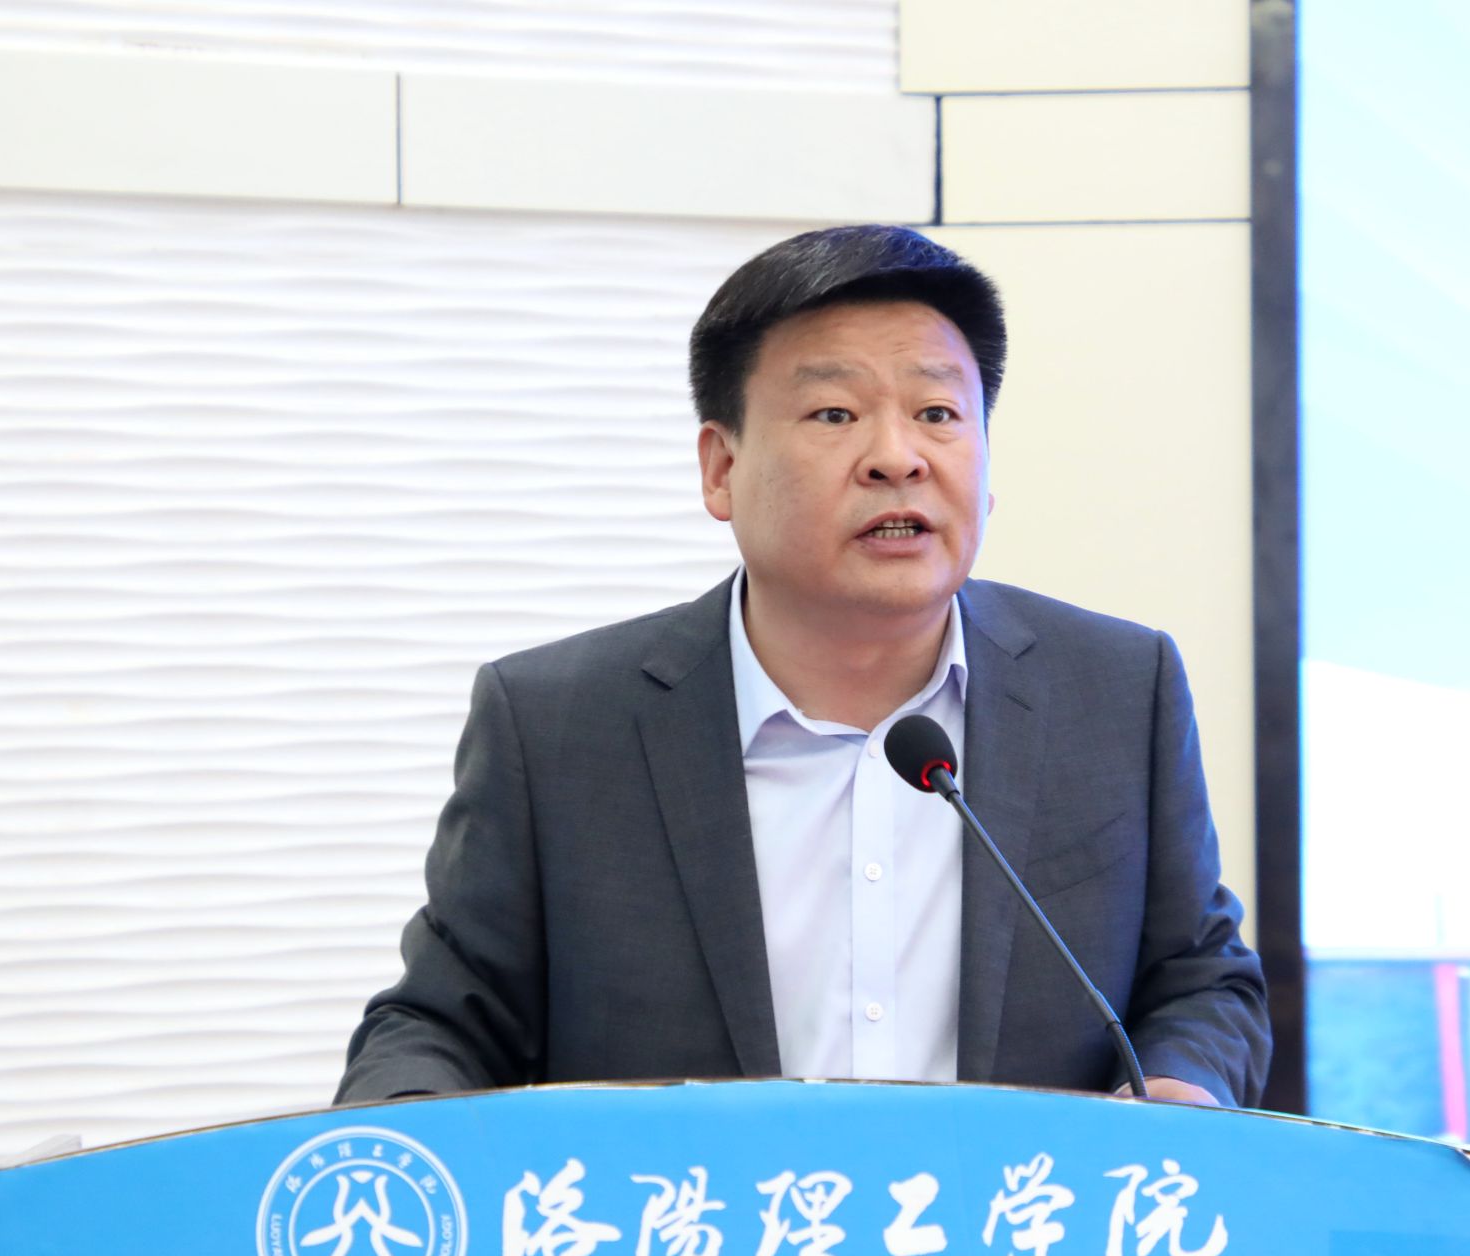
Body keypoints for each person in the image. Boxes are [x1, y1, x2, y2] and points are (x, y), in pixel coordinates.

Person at [335, 225, 1270, 1108]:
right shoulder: (557, 724)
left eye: (938, 413)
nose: (897, 457)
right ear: (721, 467)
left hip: (1016, 1223)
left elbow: (1198, 976)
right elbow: (442, 1022)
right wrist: (400, 1134)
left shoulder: (1116, 690)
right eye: (835, 413)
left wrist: (1182, 1087)